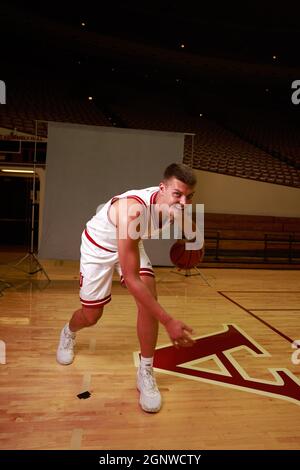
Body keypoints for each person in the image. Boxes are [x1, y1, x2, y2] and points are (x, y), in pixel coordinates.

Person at [57, 163, 201, 413]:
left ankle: (145, 370)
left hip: (131, 244)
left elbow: (194, 235)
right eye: (178, 194)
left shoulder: (178, 207)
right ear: (162, 188)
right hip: (99, 246)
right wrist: (168, 321)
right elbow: (132, 280)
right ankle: (68, 332)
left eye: (189, 196)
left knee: (148, 299)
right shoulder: (133, 211)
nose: (184, 201)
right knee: (92, 315)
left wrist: (193, 244)